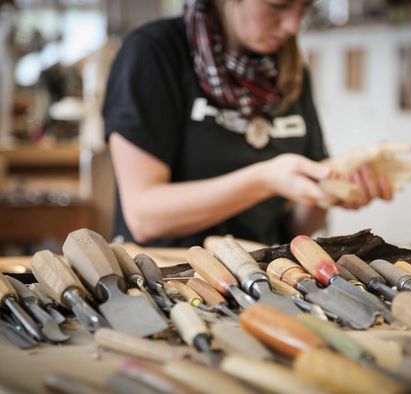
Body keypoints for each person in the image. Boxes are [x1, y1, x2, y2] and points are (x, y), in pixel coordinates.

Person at [103, 0, 393, 248]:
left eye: (303, 8)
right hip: (166, 276)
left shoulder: (292, 72)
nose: (293, 26)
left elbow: (293, 228)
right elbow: (144, 217)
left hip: (260, 272)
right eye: (278, 5)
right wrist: (264, 180)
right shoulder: (154, 52)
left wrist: (326, 192)